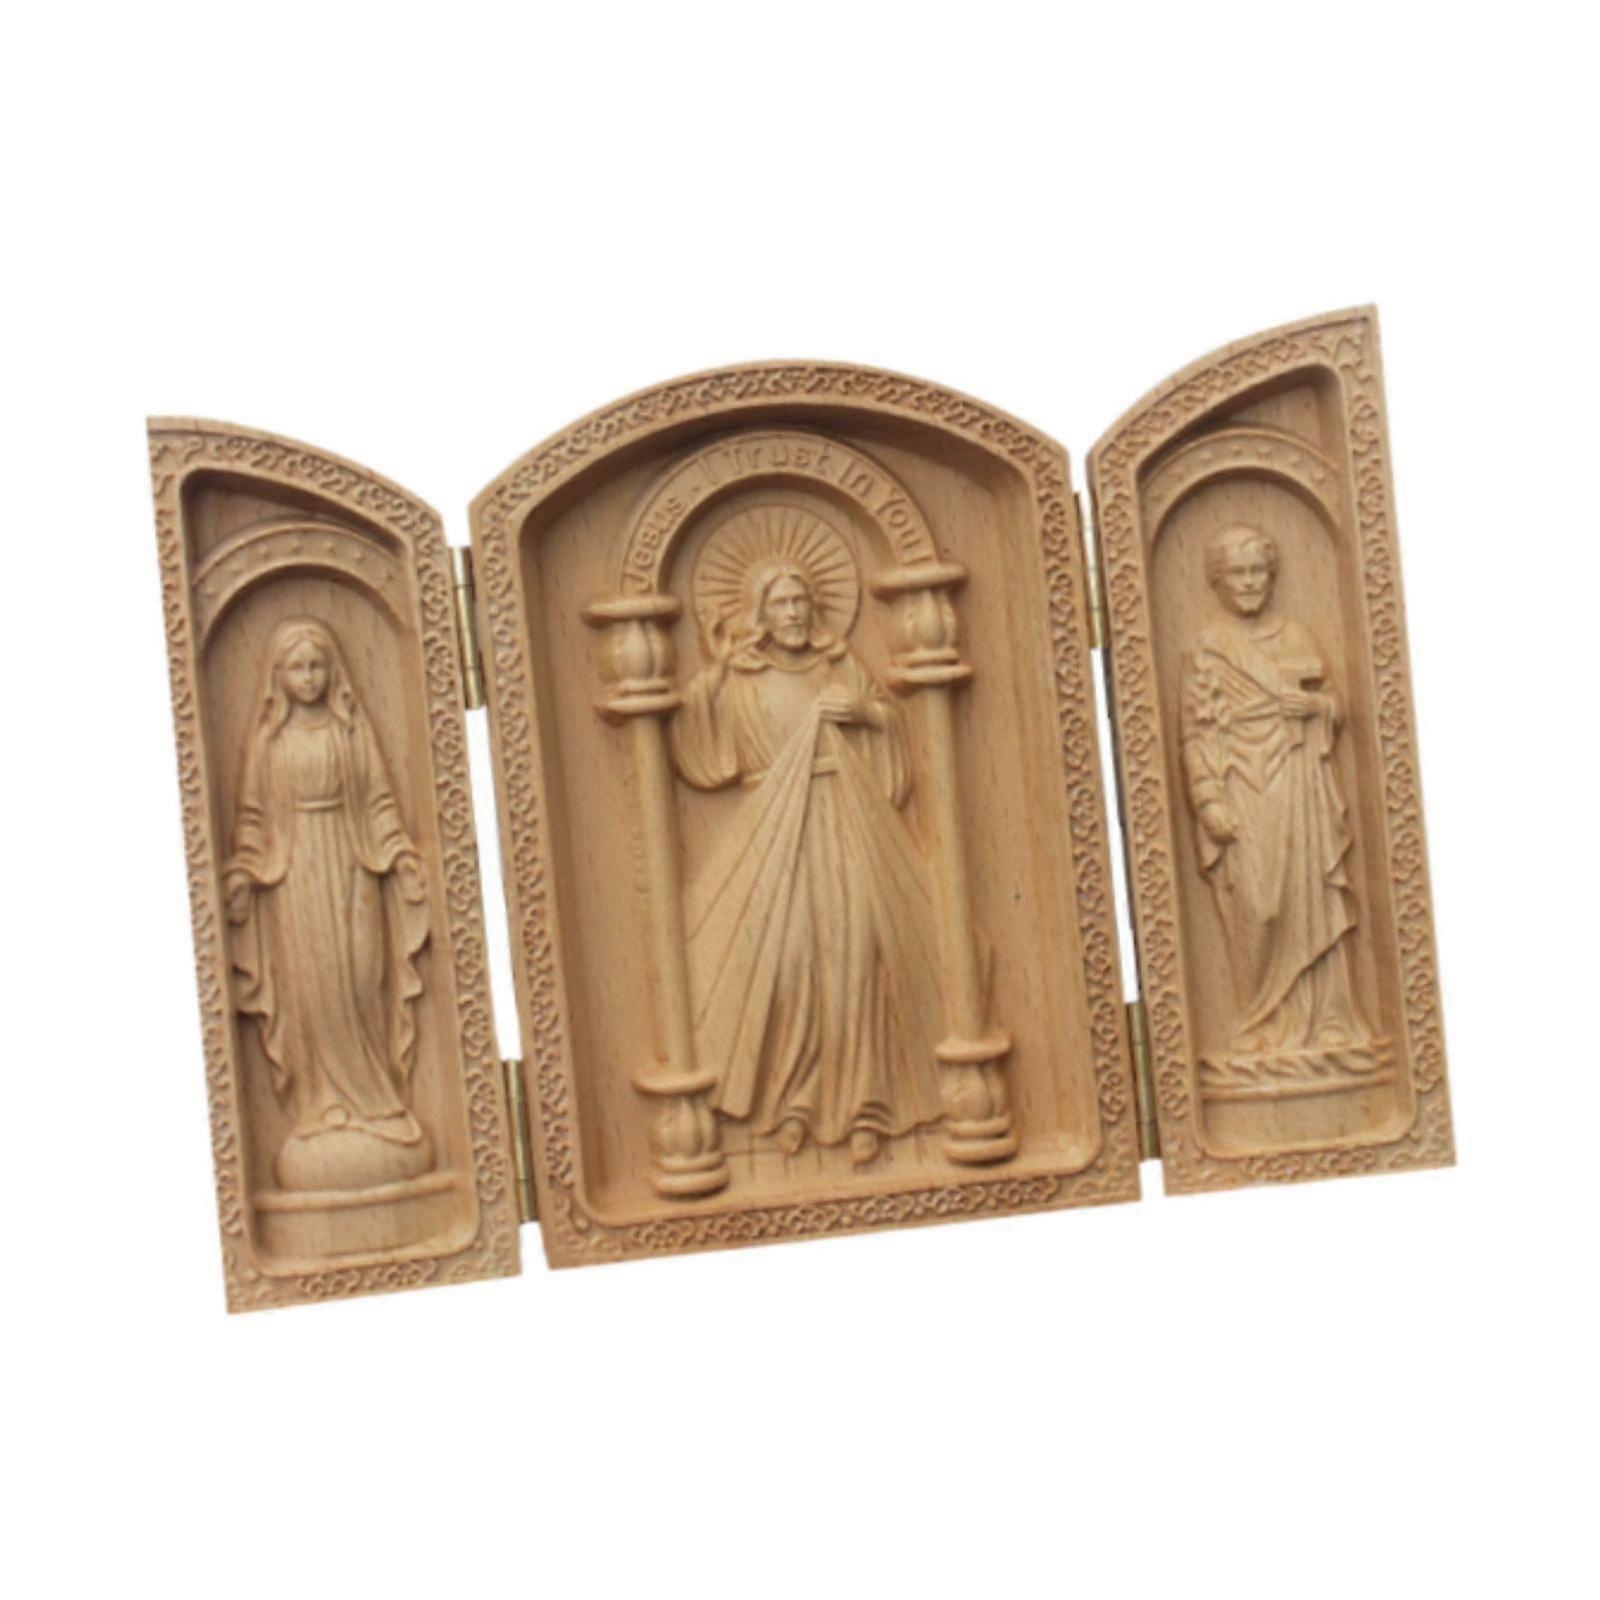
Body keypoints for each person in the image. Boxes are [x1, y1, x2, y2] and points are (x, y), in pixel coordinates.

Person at [670, 562, 944, 1164]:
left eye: (801, 601)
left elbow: (887, 723)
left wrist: (865, 713)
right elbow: (700, 751)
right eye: (781, 603)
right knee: (790, 963)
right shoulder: (738, 678)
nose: (794, 613)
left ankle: (867, 1107)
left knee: (860, 957)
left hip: (846, 824)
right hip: (773, 834)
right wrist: (715, 666)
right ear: (759, 613)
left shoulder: (837, 663)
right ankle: (795, 1103)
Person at [224, 616, 433, 1191]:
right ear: (280, 676)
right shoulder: (269, 741)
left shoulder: (350, 730)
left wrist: (398, 854)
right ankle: (322, 1104)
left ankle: (376, 1099)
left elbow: (379, 801)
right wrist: (244, 869)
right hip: (296, 881)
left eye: (317, 665)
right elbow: (253, 818)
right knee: (313, 991)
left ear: (332, 669)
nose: (309, 677)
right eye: (297, 667)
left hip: (352, 866)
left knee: (362, 980)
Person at [1180, 526, 1376, 1070]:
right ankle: (1261, 1022)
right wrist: (1207, 799)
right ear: (1218, 581)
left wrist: (1315, 709)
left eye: (1257, 573)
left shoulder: (1296, 637)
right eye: (1237, 574)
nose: (1249, 584)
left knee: (1309, 900)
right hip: (1242, 785)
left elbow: (1333, 704)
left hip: (1298, 782)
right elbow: (1194, 732)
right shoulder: (1207, 648)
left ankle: (1326, 1022)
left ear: (1270, 576)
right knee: (1259, 908)